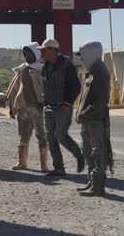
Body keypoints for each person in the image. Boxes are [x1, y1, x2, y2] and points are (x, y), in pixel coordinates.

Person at [39, 39, 85, 178]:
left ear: (53, 50)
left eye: (44, 50)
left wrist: (67, 103)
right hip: (48, 107)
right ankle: (59, 169)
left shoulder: (67, 65)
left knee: (60, 136)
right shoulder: (45, 66)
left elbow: (76, 86)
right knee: (50, 138)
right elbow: (45, 85)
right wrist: (45, 102)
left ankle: (80, 155)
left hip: (62, 107)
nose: (42, 53)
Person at [75, 41, 112, 197]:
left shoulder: (101, 73)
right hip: (88, 121)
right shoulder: (91, 72)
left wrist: (83, 115)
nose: (82, 59)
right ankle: (92, 182)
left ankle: (98, 187)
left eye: (83, 55)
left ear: (92, 54)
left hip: (95, 121)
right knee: (88, 151)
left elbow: (100, 102)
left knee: (98, 153)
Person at [5, 42, 49, 172]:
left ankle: (44, 165)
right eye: (25, 54)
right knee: (23, 135)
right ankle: (22, 162)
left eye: (30, 53)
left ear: (37, 53)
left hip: (38, 108)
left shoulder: (44, 69)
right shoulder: (22, 69)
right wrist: (12, 106)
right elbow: (14, 89)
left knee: (41, 135)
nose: (27, 56)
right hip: (23, 109)